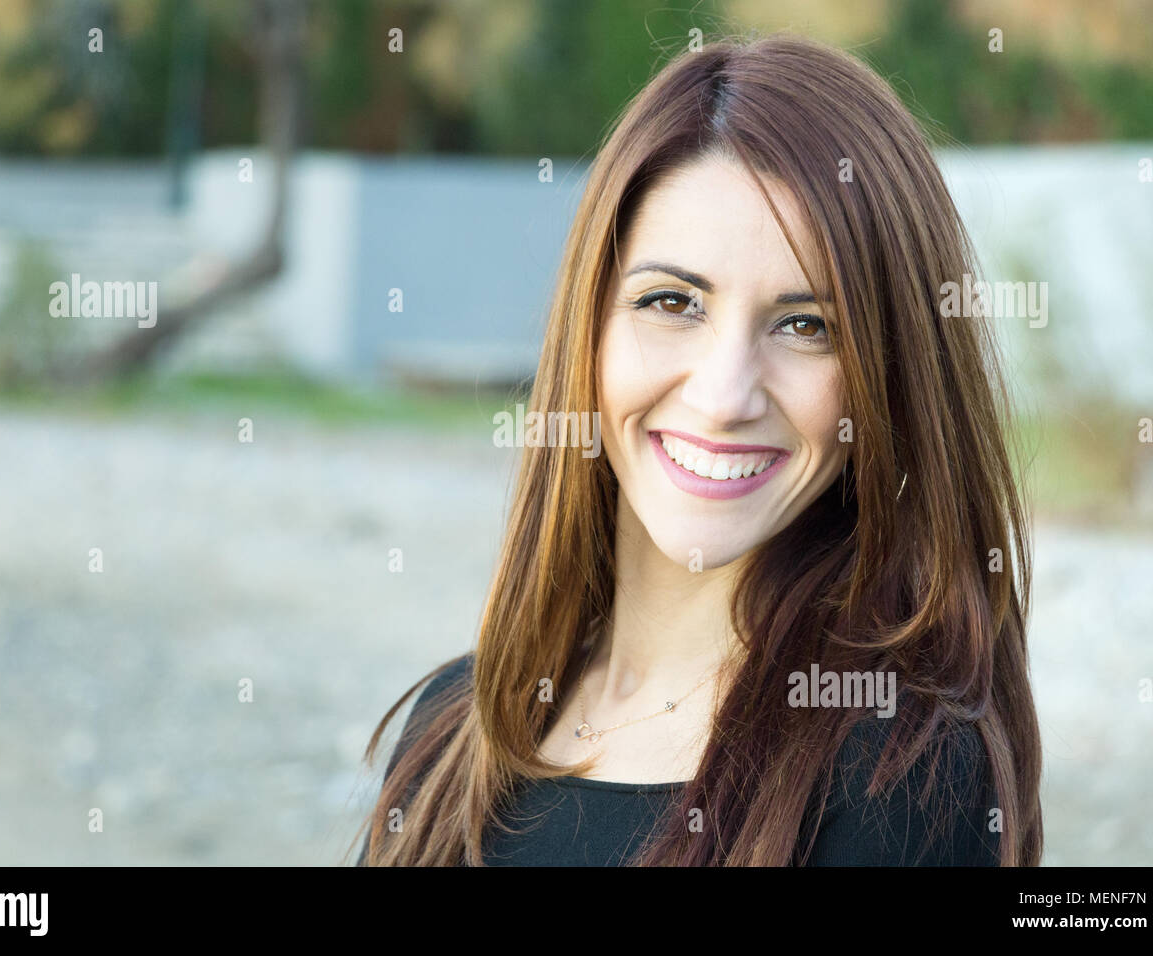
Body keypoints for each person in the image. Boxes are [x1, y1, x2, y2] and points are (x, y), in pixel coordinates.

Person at [354, 33, 1042, 866]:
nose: (724, 397)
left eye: (807, 325)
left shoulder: (894, 777)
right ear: (589, 328)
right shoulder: (451, 722)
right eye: (672, 301)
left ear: (890, 376)